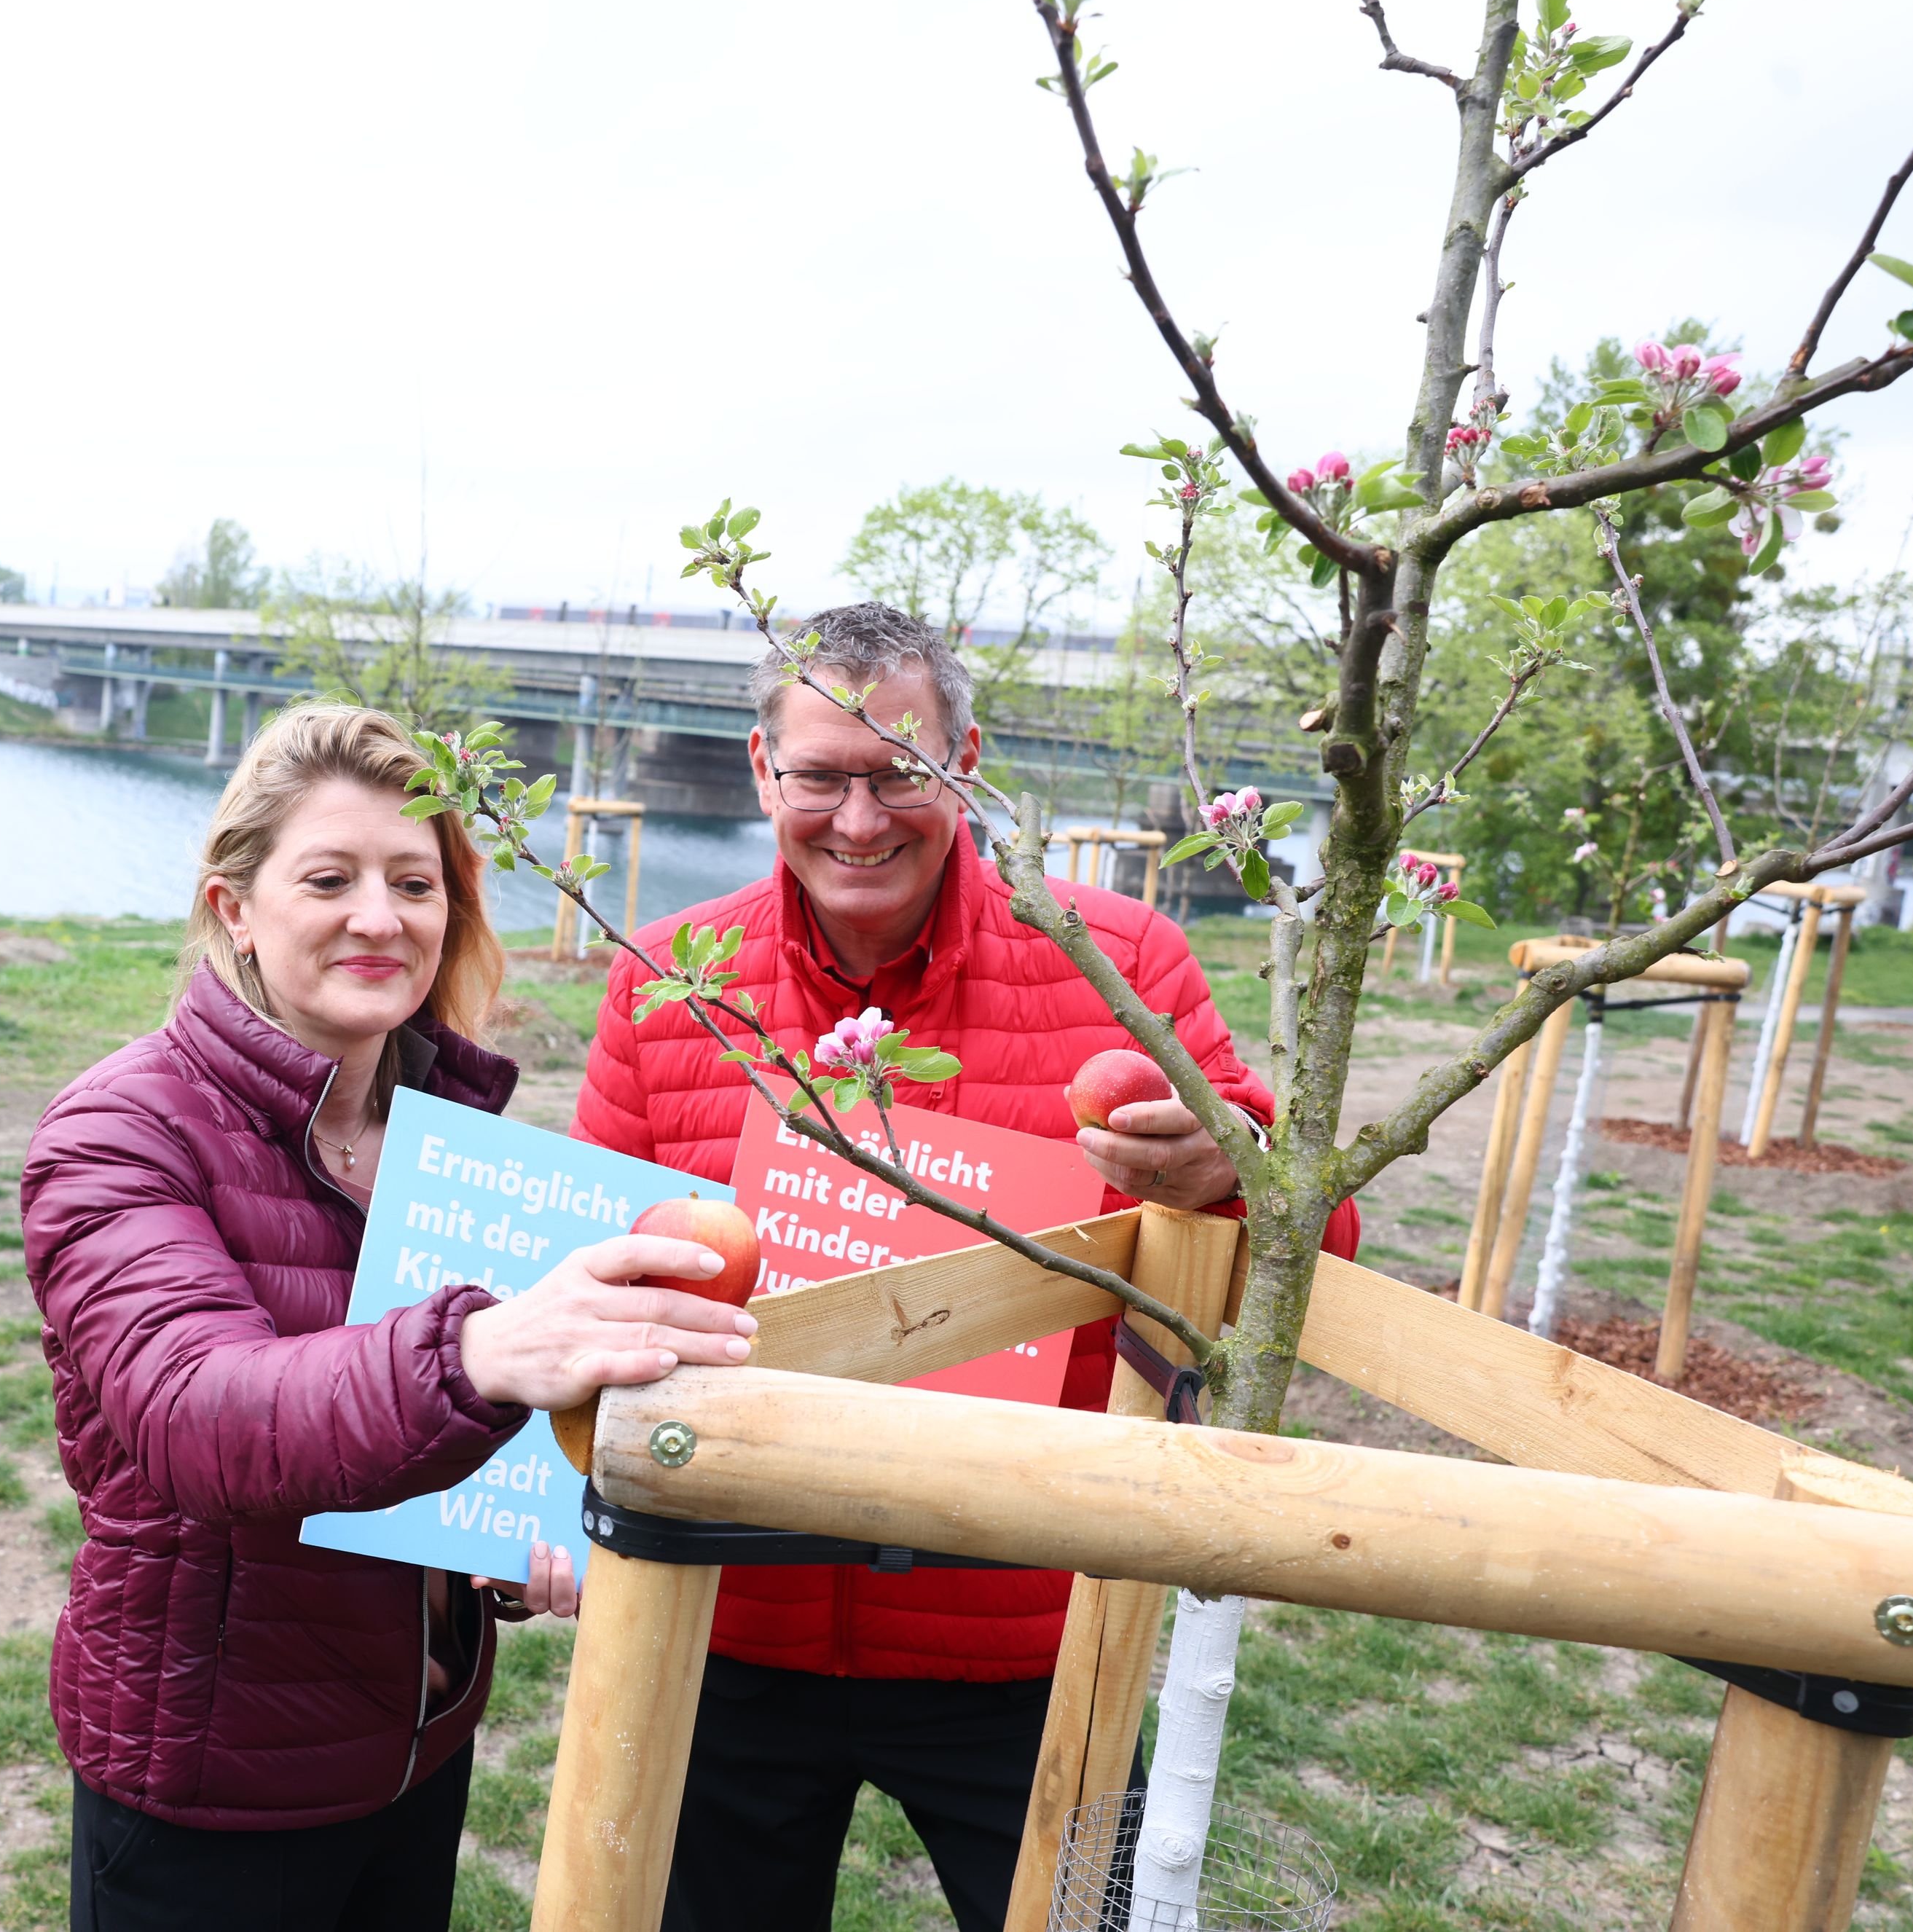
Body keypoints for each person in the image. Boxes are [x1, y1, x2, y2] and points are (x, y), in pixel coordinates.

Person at [572, 605, 1362, 1932]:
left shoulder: (1121, 966)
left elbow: (1310, 1264)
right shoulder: (671, 979)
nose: (861, 819)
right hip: (730, 1631)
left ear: (970, 762)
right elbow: (589, 1275)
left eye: (901, 772)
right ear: (762, 773)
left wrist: (1229, 1174)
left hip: (1033, 1632)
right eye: (822, 776)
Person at [23, 704, 759, 1932]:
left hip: (411, 1747)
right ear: (232, 910)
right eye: (330, 877)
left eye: (415, 882)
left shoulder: (445, 1145)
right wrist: (485, 1351)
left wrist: (523, 1533)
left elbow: (425, 1436)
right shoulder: (118, 1132)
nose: (382, 916)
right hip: (215, 1774)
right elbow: (200, 1420)